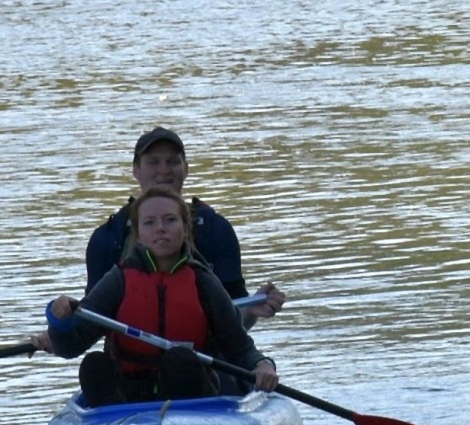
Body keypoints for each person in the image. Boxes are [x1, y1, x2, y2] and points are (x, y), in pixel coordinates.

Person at [36, 186, 281, 407]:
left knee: (180, 361)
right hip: (127, 396)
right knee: (93, 364)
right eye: (150, 222)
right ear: (139, 235)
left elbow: (239, 347)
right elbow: (71, 346)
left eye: (170, 220)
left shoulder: (203, 281)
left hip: (190, 395)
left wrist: (263, 364)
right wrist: (59, 323)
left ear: (185, 230)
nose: (160, 228)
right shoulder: (118, 280)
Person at [85, 127, 285, 327]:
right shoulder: (108, 238)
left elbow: (236, 323)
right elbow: (87, 324)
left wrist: (251, 311)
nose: (164, 170)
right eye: (154, 162)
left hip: (203, 353)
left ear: (186, 169)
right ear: (136, 170)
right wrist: (58, 332)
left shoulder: (215, 230)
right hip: (129, 354)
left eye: (173, 161)